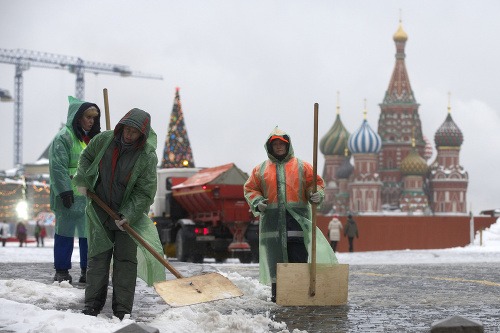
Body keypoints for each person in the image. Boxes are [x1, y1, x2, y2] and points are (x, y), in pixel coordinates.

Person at [72, 108, 166, 320]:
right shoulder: (104, 140)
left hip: (127, 216)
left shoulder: (146, 157)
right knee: (97, 258)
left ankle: (122, 309)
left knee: (125, 262)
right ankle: (92, 305)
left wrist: (128, 214)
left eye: (134, 132)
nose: (128, 135)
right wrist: (84, 180)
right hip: (100, 210)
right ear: (121, 126)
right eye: (127, 129)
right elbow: (86, 157)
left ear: (142, 134)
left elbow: (145, 191)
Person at [244, 126, 337, 302]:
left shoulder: (303, 167)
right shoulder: (260, 170)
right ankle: (277, 297)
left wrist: (315, 194)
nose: (279, 147)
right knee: (276, 266)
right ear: (270, 147)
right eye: (275, 144)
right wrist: (257, 202)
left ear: (288, 145)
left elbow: (314, 183)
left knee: (298, 260)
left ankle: (298, 296)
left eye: (282, 143)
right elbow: (250, 189)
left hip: (297, 223)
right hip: (272, 227)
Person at [49, 96, 101, 284]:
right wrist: (64, 190)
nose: (91, 121)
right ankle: (62, 271)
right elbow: (58, 167)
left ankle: (88, 270)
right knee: (65, 233)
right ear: (77, 117)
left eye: (94, 118)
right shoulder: (64, 137)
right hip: (68, 197)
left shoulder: (89, 140)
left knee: (88, 236)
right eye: (88, 117)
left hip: (86, 196)